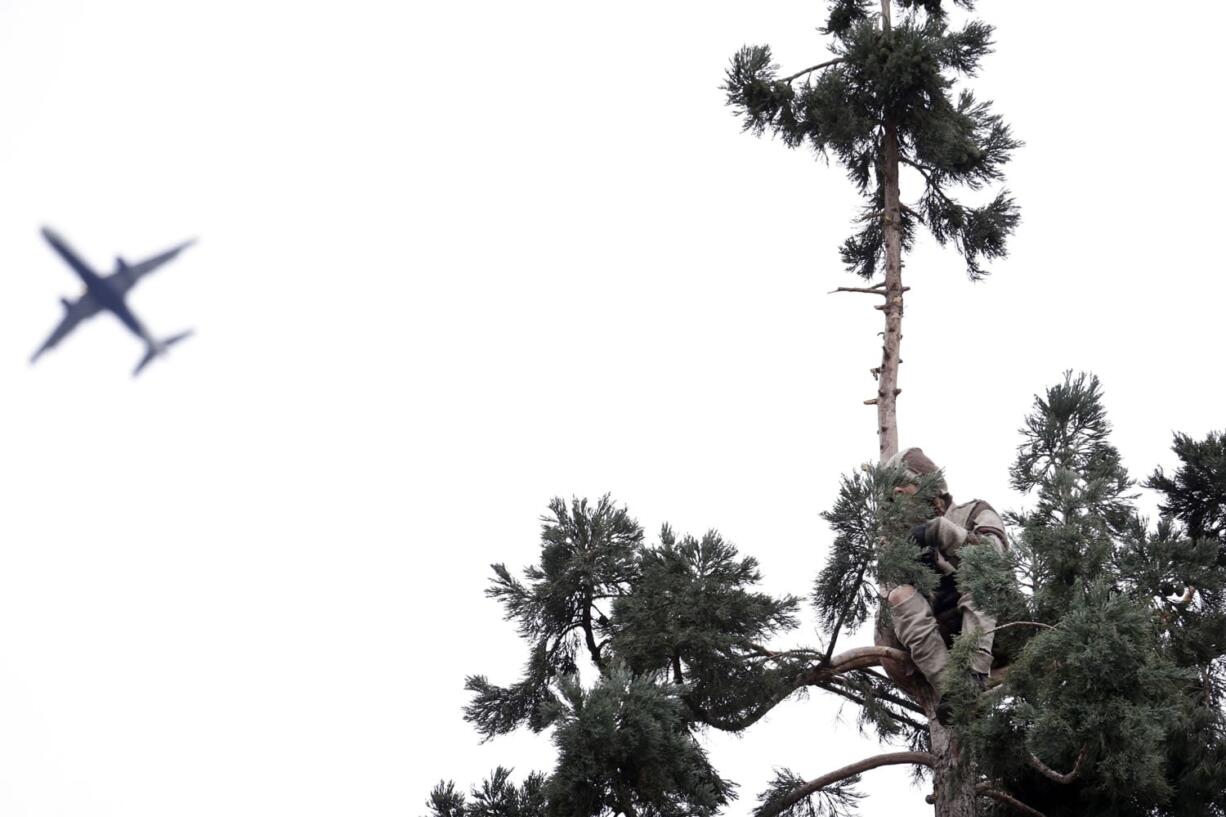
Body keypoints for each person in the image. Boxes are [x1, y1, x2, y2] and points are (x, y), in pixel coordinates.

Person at [881, 447, 1008, 721]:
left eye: (904, 485)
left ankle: (973, 675)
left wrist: (940, 532)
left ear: (929, 483)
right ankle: (955, 691)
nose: (898, 496)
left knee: (980, 573)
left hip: (996, 625)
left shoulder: (974, 511)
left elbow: (993, 558)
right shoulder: (899, 544)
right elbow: (893, 605)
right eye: (893, 493)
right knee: (898, 595)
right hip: (940, 636)